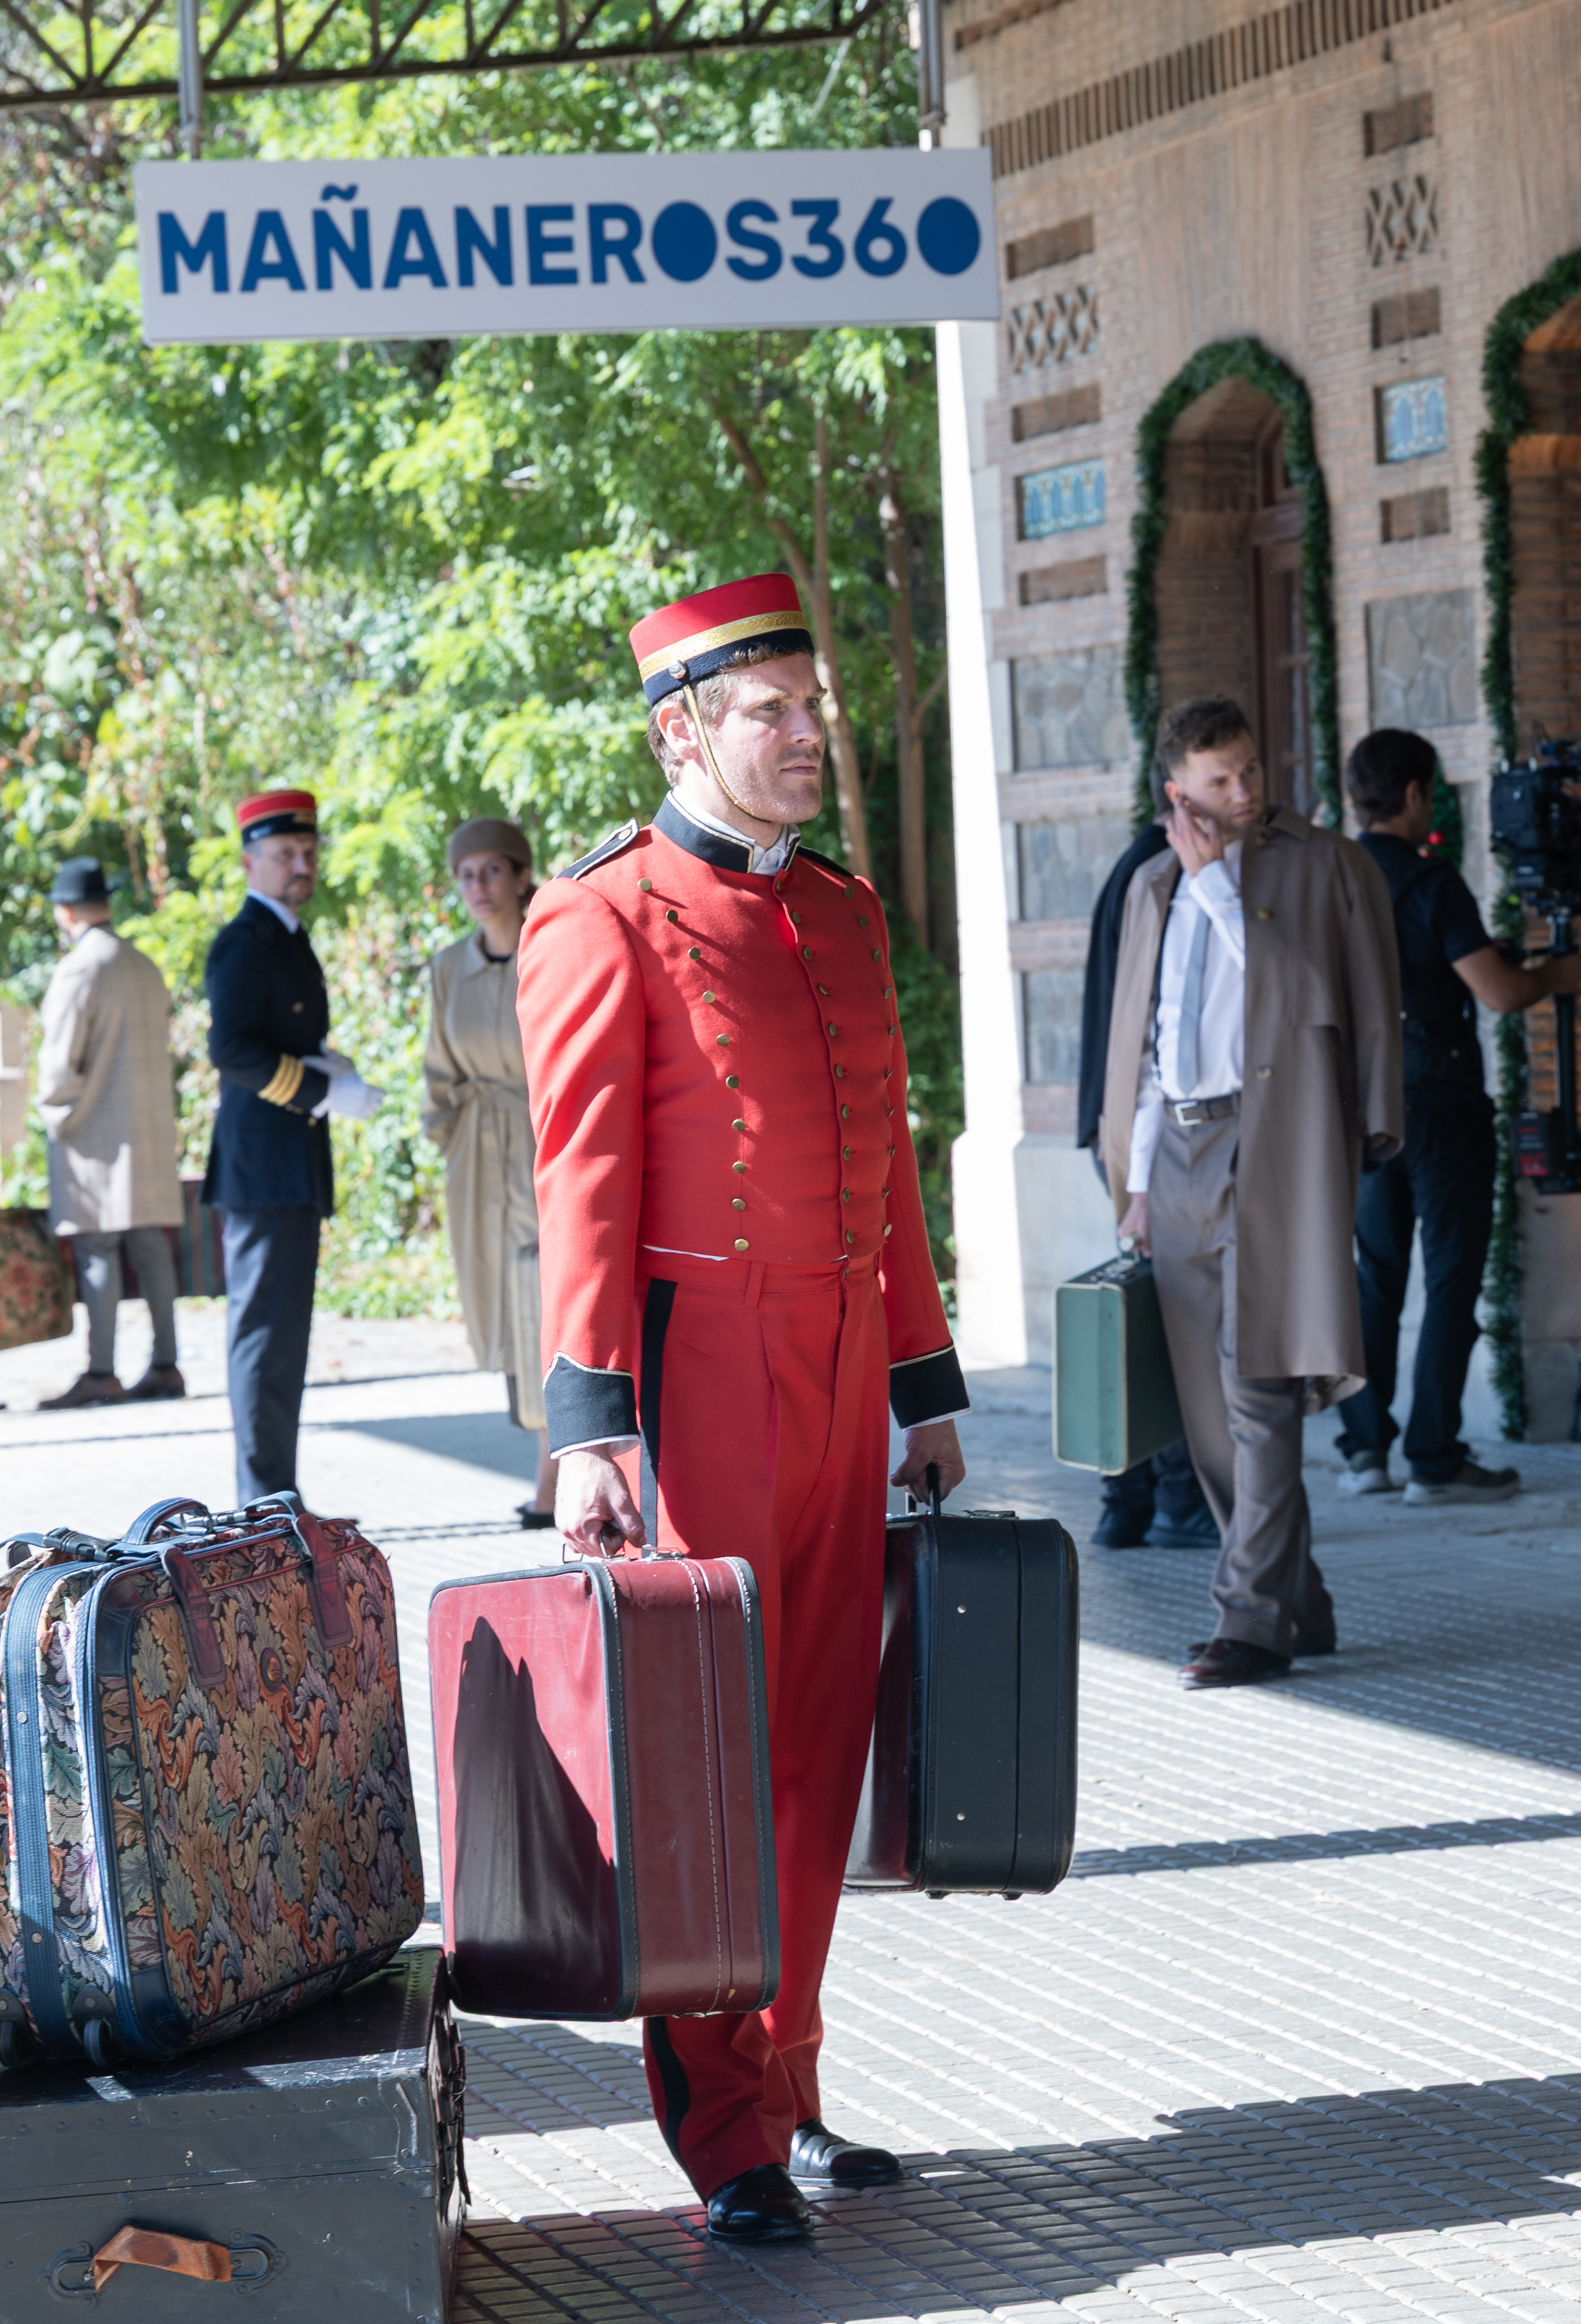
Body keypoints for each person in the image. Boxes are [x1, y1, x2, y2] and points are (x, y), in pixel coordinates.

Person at [521, 573, 967, 2248]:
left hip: (846, 1367)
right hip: (697, 1368)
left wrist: (924, 1386)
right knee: (708, 1756)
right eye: (771, 715)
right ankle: (723, 2136)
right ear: (681, 730)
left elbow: (893, 1175)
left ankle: (789, 2083)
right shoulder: (604, 914)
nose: (807, 740)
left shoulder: (842, 911)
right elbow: (582, 1185)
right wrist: (591, 1428)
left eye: (815, 710)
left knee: (819, 1745)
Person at [1100, 696, 1404, 1690]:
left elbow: (1322, 999)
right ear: (1175, 789)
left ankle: (1250, 1623)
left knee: (1259, 1390)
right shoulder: (1152, 886)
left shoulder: (1323, 866)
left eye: (1250, 773)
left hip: (1276, 1144)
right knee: (1206, 1410)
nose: (1242, 793)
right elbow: (1146, 1047)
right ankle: (1295, 1604)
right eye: (1219, 780)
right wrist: (1137, 1184)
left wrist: (1222, 895)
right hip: (1178, 1157)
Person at [1331, 728, 1579, 1501]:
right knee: (1449, 1279)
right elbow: (1500, 994)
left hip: (1364, 1105)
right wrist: (1555, 973)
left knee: (1374, 1282)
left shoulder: (1330, 881)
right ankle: (1435, 1458)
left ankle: (1364, 1453)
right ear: (1411, 795)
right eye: (1431, 792)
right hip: (1439, 1105)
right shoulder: (1432, 883)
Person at [203, 791, 383, 1508]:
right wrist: (319, 1089)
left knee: (283, 1345)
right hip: (263, 1169)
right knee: (263, 1344)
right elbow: (233, 1050)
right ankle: (263, 1497)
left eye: (307, 853)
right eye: (284, 855)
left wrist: (326, 1063)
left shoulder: (286, 937)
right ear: (251, 861)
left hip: (286, 1168)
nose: (300, 865)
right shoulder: (246, 941)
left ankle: (276, 1492)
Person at [1074, 819, 1220, 1551]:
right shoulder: (1166, 875)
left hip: (1123, 1121)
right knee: (1168, 1322)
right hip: (1150, 1128)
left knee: (1143, 1314)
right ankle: (1174, 1497)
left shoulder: (1137, 866)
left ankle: (1127, 1501)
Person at [421, 816, 552, 1525]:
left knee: (544, 1296)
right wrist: (445, 1140)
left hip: (545, 1142)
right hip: (478, 1151)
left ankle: (552, 1477)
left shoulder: (553, 947)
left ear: (521, 873)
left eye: (491, 871)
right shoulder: (448, 967)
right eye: (466, 874)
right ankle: (552, 1459)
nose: (478, 886)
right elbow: (437, 1072)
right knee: (500, 1305)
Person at [31, 858, 187, 1410]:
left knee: (98, 1248)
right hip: (148, 1125)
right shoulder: (143, 965)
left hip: (96, 1128)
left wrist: (55, 1115)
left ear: (66, 911)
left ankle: (101, 1370)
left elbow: (58, 1062)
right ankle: (166, 1363)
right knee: (151, 1247)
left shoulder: (80, 969)